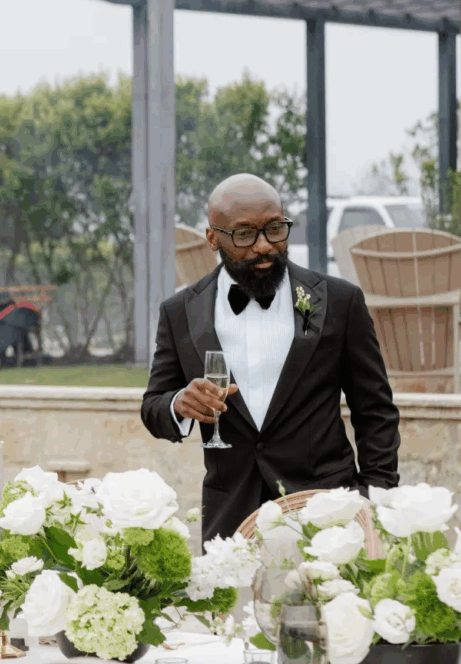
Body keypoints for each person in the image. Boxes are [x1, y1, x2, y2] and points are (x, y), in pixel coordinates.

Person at [140, 173, 401, 542]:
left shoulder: (340, 302)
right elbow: (153, 406)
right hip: (230, 518)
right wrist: (180, 404)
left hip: (327, 514)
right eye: (245, 234)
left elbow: (375, 410)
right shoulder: (180, 312)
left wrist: (373, 495)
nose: (264, 246)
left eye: (275, 229)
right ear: (212, 237)